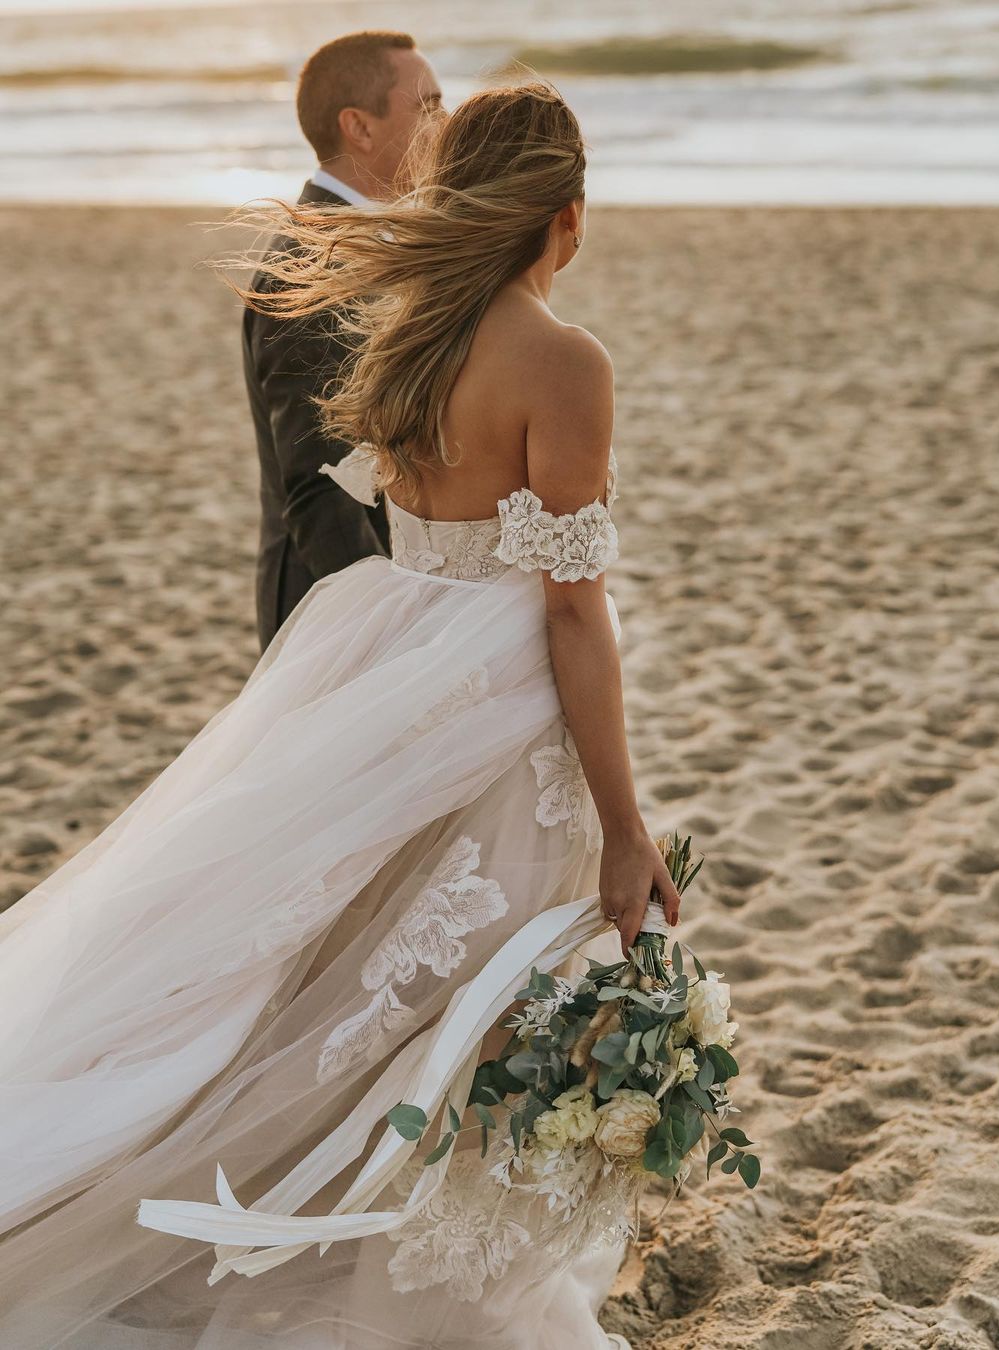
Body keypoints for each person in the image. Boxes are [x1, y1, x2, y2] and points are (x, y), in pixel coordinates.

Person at [0, 83, 679, 1349]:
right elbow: (572, 611)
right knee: (474, 982)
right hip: (493, 678)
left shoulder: (408, 329)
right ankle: (411, 1265)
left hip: (382, 643)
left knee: (345, 957)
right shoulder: (562, 361)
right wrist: (626, 823)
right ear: (566, 219)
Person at [245, 30, 444, 650]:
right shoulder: (308, 266)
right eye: (429, 105)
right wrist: (383, 636)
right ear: (359, 126)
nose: (446, 123)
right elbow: (319, 485)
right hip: (330, 618)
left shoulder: (370, 241)